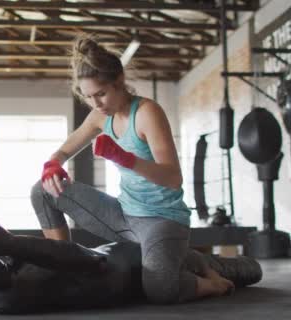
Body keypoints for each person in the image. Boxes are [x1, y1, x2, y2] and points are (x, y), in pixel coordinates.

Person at [30, 35, 235, 304]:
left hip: (162, 220)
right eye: (89, 97)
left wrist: (125, 158)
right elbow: (66, 149)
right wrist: (53, 163)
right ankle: (66, 266)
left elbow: (173, 178)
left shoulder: (148, 113)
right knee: (42, 191)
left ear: (120, 82)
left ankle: (214, 282)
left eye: (101, 94)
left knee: (160, 289)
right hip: (124, 216)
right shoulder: (99, 115)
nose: (96, 104)